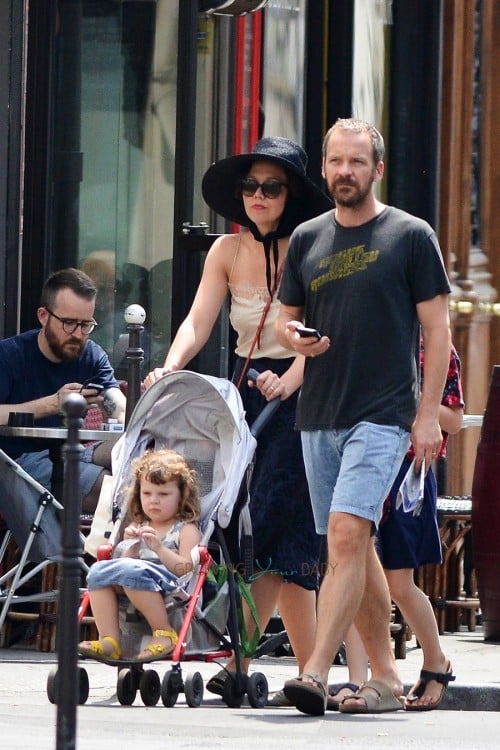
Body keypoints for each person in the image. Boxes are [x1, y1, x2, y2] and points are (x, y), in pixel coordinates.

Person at [144, 137, 332, 701]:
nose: (258, 196)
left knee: (277, 527)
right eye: (249, 186)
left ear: (291, 193)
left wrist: (291, 378)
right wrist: (169, 369)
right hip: (245, 396)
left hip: (304, 389)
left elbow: (322, 331)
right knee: (249, 530)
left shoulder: (312, 244)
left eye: (271, 187)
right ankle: (307, 674)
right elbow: (199, 321)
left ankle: (258, 664)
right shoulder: (224, 251)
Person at [275, 118, 453, 716]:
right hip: (318, 413)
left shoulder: (410, 235)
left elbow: (437, 329)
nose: (344, 172)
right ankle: (384, 677)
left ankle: (317, 673)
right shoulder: (306, 237)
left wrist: (427, 416)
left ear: (377, 168)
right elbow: (285, 316)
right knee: (354, 549)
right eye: (335, 162)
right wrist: (294, 338)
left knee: (349, 537)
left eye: (356, 162)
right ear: (323, 168)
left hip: (383, 414)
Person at [331, 340, 463, 712]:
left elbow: (453, 418)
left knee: (399, 583)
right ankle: (359, 678)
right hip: (364, 463)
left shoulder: (436, 348)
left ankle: (436, 662)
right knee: (354, 570)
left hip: (409, 472)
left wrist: (412, 404)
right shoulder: (371, 338)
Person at [0, 267, 126, 513]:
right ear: (43, 316)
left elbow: (116, 402)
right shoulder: (10, 356)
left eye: (86, 324)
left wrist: (130, 418)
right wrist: (53, 404)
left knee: (142, 461)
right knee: (113, 490)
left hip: (73, 452)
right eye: (68, 323)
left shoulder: (91, 355)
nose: (78, 334)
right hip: (18, 463)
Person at [78, 448, 201, 662]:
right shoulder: (140, 525)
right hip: (135, 580)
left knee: (131, 571)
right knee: (98, 571)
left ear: (182, 496)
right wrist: (131, 546)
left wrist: (159, 549)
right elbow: (127, 564)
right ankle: (110, 639)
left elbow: (187, 569)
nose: (154, 500)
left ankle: (163, 633)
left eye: (163, 494)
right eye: (147, 493)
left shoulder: (185, 529)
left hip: (171, 584)